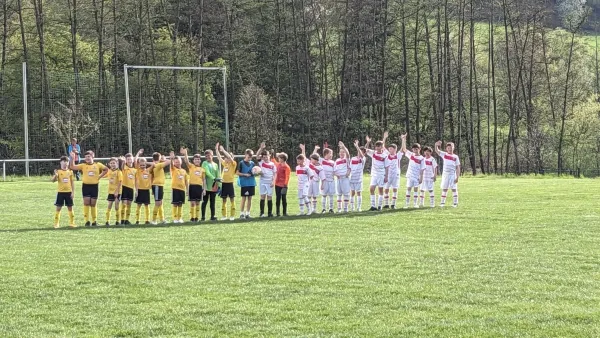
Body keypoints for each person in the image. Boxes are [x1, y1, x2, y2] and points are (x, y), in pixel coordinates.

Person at [70, 150, 108, 226]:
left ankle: (94, 221)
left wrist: (100, 176)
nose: (87, 158)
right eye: (86, 157)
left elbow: (106, 169)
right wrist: (72, 158)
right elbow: (72, 167)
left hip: (94, 186)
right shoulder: (83, 165)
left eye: (89, 156)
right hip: (86, 186)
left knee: (93, 204)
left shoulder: (98, 165)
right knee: (86, 202)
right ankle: (87, 221)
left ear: (92, 156)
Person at [364, 131, 389, 211]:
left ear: (382, 147)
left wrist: (386, 176)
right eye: (376, 146)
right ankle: (373, 206)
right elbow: (365, 150)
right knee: (371, 189)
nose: (377, 148)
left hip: (381, 174)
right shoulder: (373, 153)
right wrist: (368, 142)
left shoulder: (385, 156)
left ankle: (380, 206)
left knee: (380, 190)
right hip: (374, 174)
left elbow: (387, 167)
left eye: (379, 146)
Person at [180, 147, 206, 222]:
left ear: (200, 160)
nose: (197, 160)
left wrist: (204, 189)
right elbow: (186, 161)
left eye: (198, 159)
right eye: (195, 159)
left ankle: (196, 217)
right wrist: (185, 153)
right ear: (193, 161)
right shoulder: (191, 166)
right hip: (192, 187)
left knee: (198, 203)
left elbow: (204, 180)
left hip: (199, 187)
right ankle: (192, 217)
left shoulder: (202, 169)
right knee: (192, 203)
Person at [401, 134, 426, 208]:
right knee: (408, 188)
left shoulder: (422, 158)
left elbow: (422, 169)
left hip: (417, 176)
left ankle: (415, 204)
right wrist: (403, 139)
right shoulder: (411, 155)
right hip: (410, 175)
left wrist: (421, 177)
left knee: (416, 189)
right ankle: (407, 204)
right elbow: (404, 149)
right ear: (412, 149)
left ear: (419, 149)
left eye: (417, 149)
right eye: (414, 149)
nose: (415, 150)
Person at [51, 156, 76, 228]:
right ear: (60, 162)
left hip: (69, 192)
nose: (65, 163)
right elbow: (53, 180)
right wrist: (55, 176)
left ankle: (72, 223)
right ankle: (56, 223)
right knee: (58, 207)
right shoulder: (58, 171)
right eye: (64, 161)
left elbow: (72, 183)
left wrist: (73, 192)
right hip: (61, 192)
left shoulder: (70, 172)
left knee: (70, 207)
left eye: (67, 162)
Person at [435, 141, 461, 207]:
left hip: (452, 174)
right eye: (448, 148)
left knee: (454, 188)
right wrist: (436, 145)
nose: (450, 149)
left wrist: (457, 177)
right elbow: (437, 150)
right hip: (445, 175)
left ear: (453, 148)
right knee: (445, 188)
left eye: (451, 147)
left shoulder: (455, 157)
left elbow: (458, 167)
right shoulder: (444, 154)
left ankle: (455, 203)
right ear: (446, 149)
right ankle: (442, 203)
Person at [215, 143, 237, 220]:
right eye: (225, 158)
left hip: (230, 184)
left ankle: (232, 216)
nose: (226, 159)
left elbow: (230, 158)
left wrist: (223, 150)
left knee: (232, 199)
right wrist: (216, 150)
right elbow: (219, 157)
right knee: (224, 200)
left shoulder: (233, 164)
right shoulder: (225, 164)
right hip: (224, 184)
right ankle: (224, 216)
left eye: (228, 157)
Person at [312, 145, 335, 213]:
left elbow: (335, 171)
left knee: (331, 195)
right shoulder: (321, 160)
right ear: (326, 154)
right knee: (324, 195)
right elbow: (313, 156)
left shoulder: (333, 162)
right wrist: (315, 149)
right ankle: (324, 209)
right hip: (324, 181)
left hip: (331, 180)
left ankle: (331, 209)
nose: (332, 155)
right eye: (330, 153)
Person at [300, 144, 324, 213]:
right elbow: (303, 157)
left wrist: (322, 184)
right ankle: (309, 209)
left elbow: (322, 177)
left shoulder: (320, 167)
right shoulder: (309, 164)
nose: (311, 160)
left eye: (312, 159)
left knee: (315, 196)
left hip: (316, 182)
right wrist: (303, 149)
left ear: (316, 160)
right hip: (309, 182)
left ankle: (314, 209)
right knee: (309, 196)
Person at [100, 157, 123, 226]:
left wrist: (116, 191)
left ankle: (117, 221)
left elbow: (120, 182)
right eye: (111, 163)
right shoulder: (109, 171)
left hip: (117, 192)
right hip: (110, 191)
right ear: (109, 164)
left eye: (114, 163)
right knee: (109, 205)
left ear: (117, 163)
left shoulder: (119, 172)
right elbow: (103, 175)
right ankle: (107, 221)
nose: (113, 164)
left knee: (116, 206)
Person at [256, 145, 277, 218]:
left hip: (270, 183)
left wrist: (273, 182)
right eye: (264, 157)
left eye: (266, 156)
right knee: (262, 197)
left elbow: (275, 173)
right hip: (262, 182)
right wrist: (261, 148)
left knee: (269, 197)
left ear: (269, 156)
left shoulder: (272, 164)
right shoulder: (261, 162)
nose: (265, 158)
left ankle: (270, 213)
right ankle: (261, 213)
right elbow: (257, 155)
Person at [236, 148, 257, 219]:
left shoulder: (253, 163)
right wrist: (245, 174)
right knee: (244, 198)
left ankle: (248, 213)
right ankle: (241, 214)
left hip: (251, 183)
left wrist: (258, 172)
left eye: (251, 157)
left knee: (250, 198)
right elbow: (237, 173)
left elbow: (255, 172)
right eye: (248, 157)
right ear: (245, 155)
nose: (250, 158)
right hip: (245, 184)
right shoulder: (241, 163)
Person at [170, 152, 189, 223]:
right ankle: (175, 218)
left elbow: (186, 181)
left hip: (182, 190)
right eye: (175, 162)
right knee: (175, 203)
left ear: (181, 162)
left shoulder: (184, 171)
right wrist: (171, 159)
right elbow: (171, 165)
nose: (177, 163)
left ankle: (180, 218)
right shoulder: (173, 169)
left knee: (180, 203)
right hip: (175, 189)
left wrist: (187, 190)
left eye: (178, 162)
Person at [383, 143, 403, 209]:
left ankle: (393, 204)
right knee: (386, 189)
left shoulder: (398, 156)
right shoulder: (387, 155)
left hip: (395, 175)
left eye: (391, 149)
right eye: (389, 149)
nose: (389, 150)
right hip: (388, 175)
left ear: (395, 149)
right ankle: (386, 204)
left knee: (395, 189)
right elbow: (383, 146)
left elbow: (402, 148)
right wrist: (384, 138)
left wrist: (403, 139)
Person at [202, 149, 220, 221]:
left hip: (213, 186)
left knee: (212, 202)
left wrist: (219, 185)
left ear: (212, 155)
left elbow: (217, 174)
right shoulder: (204, 163)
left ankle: (213, 216)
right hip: (206, 186)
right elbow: (207, 172)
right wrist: (214, 178)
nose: (207, 157)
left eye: (209, 155)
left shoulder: (215, 164)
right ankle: (203, 217)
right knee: (205, 201)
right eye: (206, 156)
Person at [119, 153, 137, 224]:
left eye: (130, 159)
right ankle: (122, 220)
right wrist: (123, 161)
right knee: (124, 204)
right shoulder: (124, 167)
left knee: (129, 204)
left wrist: (136, 189)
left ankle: (127, 220)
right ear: (126, 160)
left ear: (132, 160)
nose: (129, 160)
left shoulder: (135, 170)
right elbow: (122, 166)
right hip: (124, 188)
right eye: (128, 159)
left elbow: (136, 180)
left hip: (131, 188)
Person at [334, 141, 351, 213]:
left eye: (343, 152)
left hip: (345, 178)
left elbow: (348, 154)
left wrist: (344, 147)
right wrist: (336, 174)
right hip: (338, 179)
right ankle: (339, 208)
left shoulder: (346, 159)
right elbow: (334, 170)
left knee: (346, 193)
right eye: (340, 152)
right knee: (339, 194)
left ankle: (345, 208)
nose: (341, 153)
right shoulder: (337, 160)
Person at [349, 140, 366, 212]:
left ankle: (359, 207)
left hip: (359, 179)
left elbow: (362, 156)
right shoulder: (353, 158)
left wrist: (357, 146)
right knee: (352, 193)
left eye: (361, 151)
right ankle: (352, 207)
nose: (359, 152)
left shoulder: (363, 159)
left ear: (364, 153)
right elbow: (350, 168)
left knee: (358, 193)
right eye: (358, 151)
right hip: (352, 179)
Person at [134, 158, 152, 224]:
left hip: (146, 190)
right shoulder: (137, 171)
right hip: (139, 190)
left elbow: (154, 164)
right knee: (138, 205)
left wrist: (146, 162)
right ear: (139, 165)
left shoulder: (148, 170)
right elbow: (135, 161)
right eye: (141, 165)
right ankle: (137, 220)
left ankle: (147, 220)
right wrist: (136, 190)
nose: (142, 166)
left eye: (143, 165)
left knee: (147, 205)